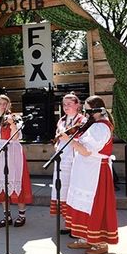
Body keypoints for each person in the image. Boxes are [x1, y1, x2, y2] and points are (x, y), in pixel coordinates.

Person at [65, 96, 118, 254]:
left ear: (95, 110)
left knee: (95, 205)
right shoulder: (93, 125)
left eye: (87, 109)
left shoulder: (101, 127)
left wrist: (69, 141)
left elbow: (87, 151)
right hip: (87, 172)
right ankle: (86, 238)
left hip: (96, 172)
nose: (85, 113)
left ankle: (100, 243)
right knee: (83, 204)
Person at [0, 94, 32, 227]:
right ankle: (7, 215)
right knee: (2, 182)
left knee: (16, 180)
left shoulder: (16, 118)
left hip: (13, 152)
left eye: (5, 103)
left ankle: (22, 215)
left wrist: (12, 124)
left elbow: (16, 137)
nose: (3, 106)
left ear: (9, 105)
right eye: (0, 104)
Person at [50, 93, 86, 234]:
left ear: (77, 105)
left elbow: (83, 139)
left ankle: (77, 225)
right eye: (64, 104)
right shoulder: (61, 121)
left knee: (74, 191)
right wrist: (57, 144)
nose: (66, 107)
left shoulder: (83, 120)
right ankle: (68, 224)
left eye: (70, 104)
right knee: (63, 191)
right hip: (62, 159)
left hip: (76, 159)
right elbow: (57, 137)